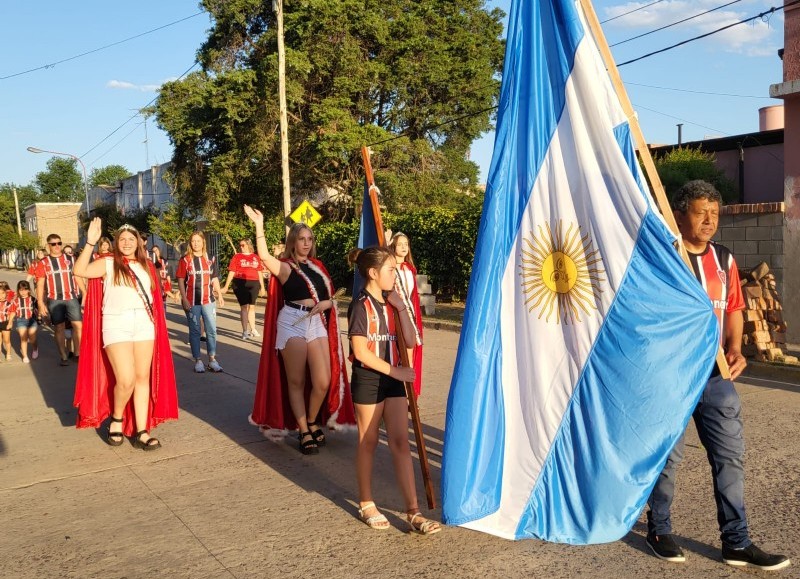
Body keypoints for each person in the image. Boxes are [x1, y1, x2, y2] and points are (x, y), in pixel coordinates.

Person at [645, 180, 789, 571]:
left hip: (716, 377)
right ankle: (659, 529)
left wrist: (736, 348)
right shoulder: (663, 257)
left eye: (715, 213)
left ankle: (736, 542)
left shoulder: (724, 260)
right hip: (670, 378)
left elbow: (735, 308)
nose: (709, 221)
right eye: (699, 212)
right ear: (679, 215)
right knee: (668, 461)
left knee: (730, 458)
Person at [244, 205, 355, 453]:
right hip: (292, 321)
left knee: (323, 381)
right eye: (301, 239)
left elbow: (329, 298)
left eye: (309, 239)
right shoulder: (284, 267)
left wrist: (328, 302)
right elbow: (263, 256)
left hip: (316, 323)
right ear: (292, 242)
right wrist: (259, 226)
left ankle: (313, 419)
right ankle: (304, 429)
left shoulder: (318, 267)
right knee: (296, 381)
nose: (306, 243)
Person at [347, 246, 441, 535]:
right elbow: (360, 352)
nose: (395, 274)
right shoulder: (360, 304)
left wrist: (401, 307)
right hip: (370, 379)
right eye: (390, 270)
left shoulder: (392, 301)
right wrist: (397, 371)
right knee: (369, 440)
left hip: (393, 380)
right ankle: (366, 502)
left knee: (401, 441)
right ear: (373, 273)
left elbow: (411, 341)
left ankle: (413, 511)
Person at [73, 220, 178, 449]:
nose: (127, 243)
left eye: (132, 239)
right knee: (126, 379)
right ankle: (117, 419)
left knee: (142, 378)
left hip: (144, 324)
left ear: (139, 241)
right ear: (116, 243)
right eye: (123, 239)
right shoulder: (108, 263)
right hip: (116, 323)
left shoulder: (147, 265)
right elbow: (79, 271)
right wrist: (91, 241)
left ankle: (142, 430)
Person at [176, 231, 224, 373]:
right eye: (193, 241)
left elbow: (214, 278)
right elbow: (180, 279)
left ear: (203, 242)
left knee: (211, 330)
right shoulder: (185, 260)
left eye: (198, 241)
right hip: (192, 301)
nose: (196, 243)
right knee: (195, 331)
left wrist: (220, 295)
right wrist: (184, 298)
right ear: (190, 243)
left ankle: (212, 359)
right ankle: (198, 360)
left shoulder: (210, 259)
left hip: (208, 300)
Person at [35, 233, 85, 366]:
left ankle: (77, 353)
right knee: (59, 328)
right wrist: (40, 302)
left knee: (78, 326)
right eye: (53, 244)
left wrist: (85, 292)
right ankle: (63, 355)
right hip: (55, 300)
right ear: (48, 246)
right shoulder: (44, 263)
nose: (57, 246)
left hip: (72, 297)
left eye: (59, 243)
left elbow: (78, 276)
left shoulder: (71, 259)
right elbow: (40, 284)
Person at [387, 232, 424, 398]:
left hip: (409, 316)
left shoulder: (410, 269)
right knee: (396, 355)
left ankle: (408, 393)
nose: (403, 247)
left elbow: (412, 297)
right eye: (400, 244)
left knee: (409, 354)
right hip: (393, 317)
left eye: (406, 244)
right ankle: (397, 393)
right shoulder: (389, 267)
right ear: (393, 246)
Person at [222, 238, 265, 340]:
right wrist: (226, 286)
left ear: (249, 245)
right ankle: (245, 331)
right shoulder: (237, 257)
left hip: (254, 283)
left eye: (243, 245)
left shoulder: (255, 257)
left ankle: (253, 329)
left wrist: (262, 287)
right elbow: (232, 271)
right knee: (244, 307)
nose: (241, 247)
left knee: (252, 307)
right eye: (240, 245)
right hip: (240, 283)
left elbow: (259, 272)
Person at [13, 280, 38, 363]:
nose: (23, 292)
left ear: (28, 290)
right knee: (23, 338)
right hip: (21, 320)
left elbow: (39, 309)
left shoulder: (33, 299)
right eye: (21, 290)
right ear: (18, 290)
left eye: (25, 290)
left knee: (32, 338)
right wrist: (10, 322)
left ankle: (35, 349)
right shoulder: (16, 300)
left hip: (32, 320)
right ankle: (25, 356)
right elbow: (12, 311)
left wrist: (43, 317)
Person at [0, 284, 15, 361]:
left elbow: (12, 312)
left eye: (2, 293)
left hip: (5, 323)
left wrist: (10, 322)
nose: (1, 296)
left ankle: (8, 353)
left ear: (6, 293)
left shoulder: (9, 303)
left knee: (6, 340)